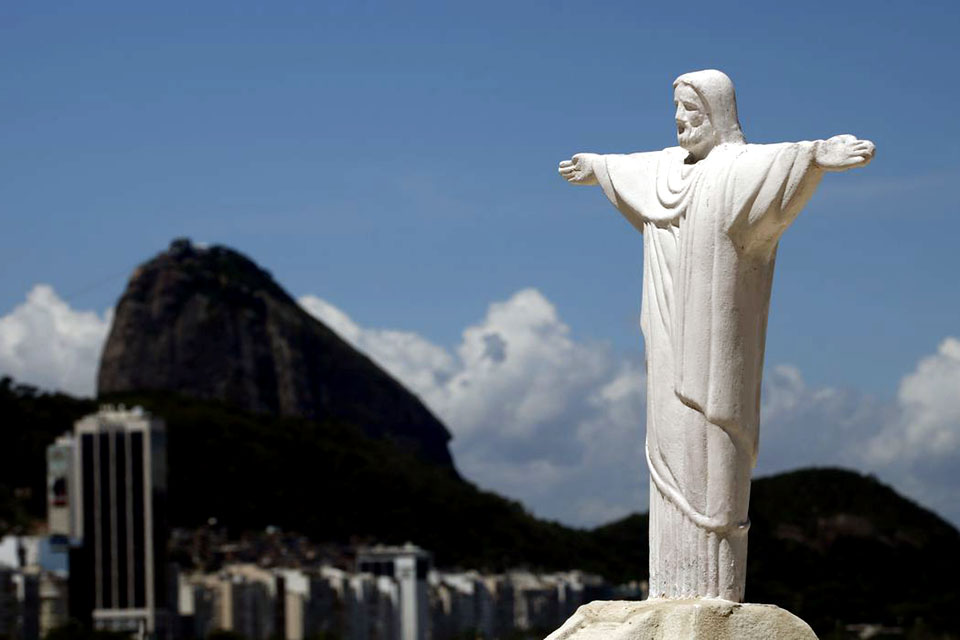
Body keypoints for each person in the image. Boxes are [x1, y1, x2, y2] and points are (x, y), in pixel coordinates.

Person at [558, 69, 874, 601]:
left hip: (714, 344)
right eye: (677, 109)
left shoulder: (736, 169)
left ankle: (713, 596)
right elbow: (632, 168)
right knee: (666, 449)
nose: (681, 120)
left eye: (693, 111)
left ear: (720, 114)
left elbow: (782, 160)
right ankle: (670, 593)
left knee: (715, 449)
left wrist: (819, 155)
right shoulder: (666, 170)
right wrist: (597, 167)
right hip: (665, 341)